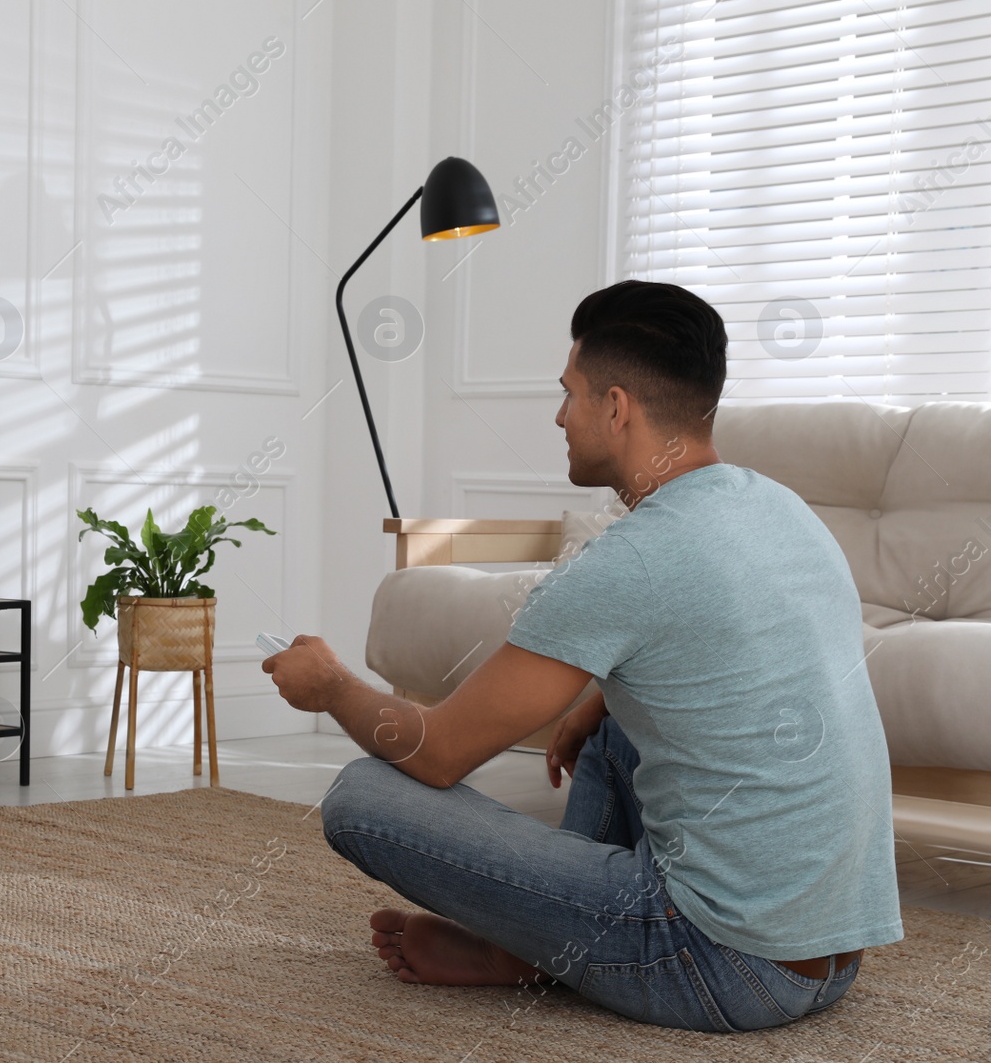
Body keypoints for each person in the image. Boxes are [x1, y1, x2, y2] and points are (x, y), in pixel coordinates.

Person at [262, 280, 902, 1032]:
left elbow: (436, 754)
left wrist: (332, 685)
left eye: (569, 393)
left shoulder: (629, 561)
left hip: (721, 964)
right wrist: (596, 705)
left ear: (617, 406)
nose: (559, 415)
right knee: (612, 713)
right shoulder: (777, 506)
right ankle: (549, 944)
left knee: (360, 798)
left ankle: (540, 949)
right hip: (831, 956)